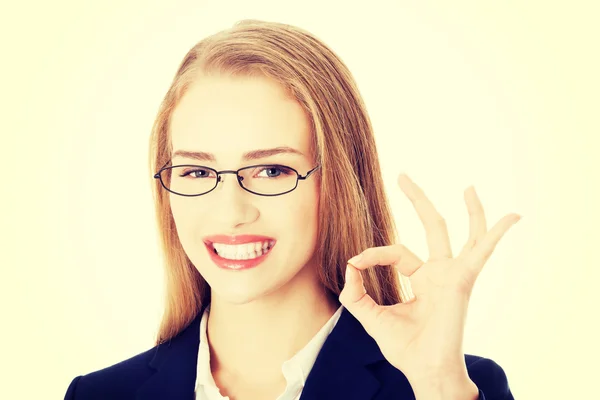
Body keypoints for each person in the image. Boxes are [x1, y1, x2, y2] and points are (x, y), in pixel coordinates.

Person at [64, 19, 520, 400]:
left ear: (339, 181)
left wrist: (438, 384)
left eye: (271, 171)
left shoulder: (453, 386)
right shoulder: (99, 394)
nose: (230, 212)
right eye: (198, 174)